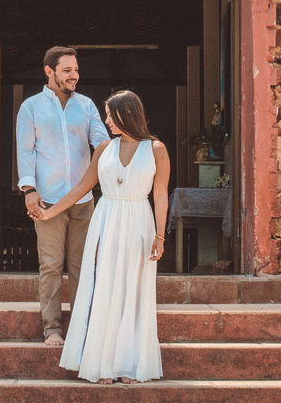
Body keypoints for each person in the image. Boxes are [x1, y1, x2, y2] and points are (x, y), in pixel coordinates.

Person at [32, 90, 170, 384]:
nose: (106, 120)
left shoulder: (156, 149)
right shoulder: (104, 148)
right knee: (104, 288)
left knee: (132, 291)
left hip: (139, 222)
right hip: (106, 219)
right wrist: (51, 212)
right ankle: (101, 365)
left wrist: (160, 235)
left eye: (110, 114)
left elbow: (160, 195)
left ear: (126, 114)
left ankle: (128, 365)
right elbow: (83, 186)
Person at [17, 46, 110, 347]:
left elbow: (102, 142)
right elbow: (26, 150)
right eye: (68, 70)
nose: (74, 75)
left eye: (76, 70)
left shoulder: (86, 106)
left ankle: (84, 326)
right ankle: (52, 329)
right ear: (49, 71)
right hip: (48, 202)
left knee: (84, 266)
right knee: (52, 266)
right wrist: (29, 190)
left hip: (83, 201)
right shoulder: (31, 107)